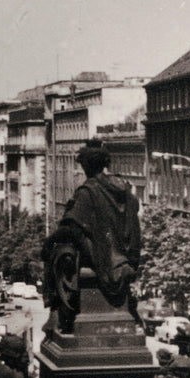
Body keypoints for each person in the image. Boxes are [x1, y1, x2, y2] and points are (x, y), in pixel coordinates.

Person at [41, 139, 141, 333]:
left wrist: (48, 241)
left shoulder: (88, 191)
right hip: (125, 254)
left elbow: (71, 227)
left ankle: (62, 314)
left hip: (103, 256)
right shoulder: (123, 189)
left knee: (58, 252)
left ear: (86, 165)